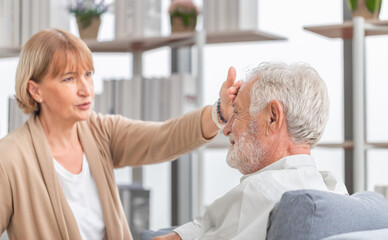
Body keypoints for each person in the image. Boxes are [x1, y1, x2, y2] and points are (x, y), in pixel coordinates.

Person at [0, 29, 239, 240]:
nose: (86, 90)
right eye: (69, 78)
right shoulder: (9, 158)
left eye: (88, 74)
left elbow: (163, 138)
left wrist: (219, 112)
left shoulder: (100, 131)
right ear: (35, 90)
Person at [155, 62, 348, 240]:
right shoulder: (333, 189)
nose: (226, 128)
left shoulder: (255, 192)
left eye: (237, 112)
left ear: (272, 117)